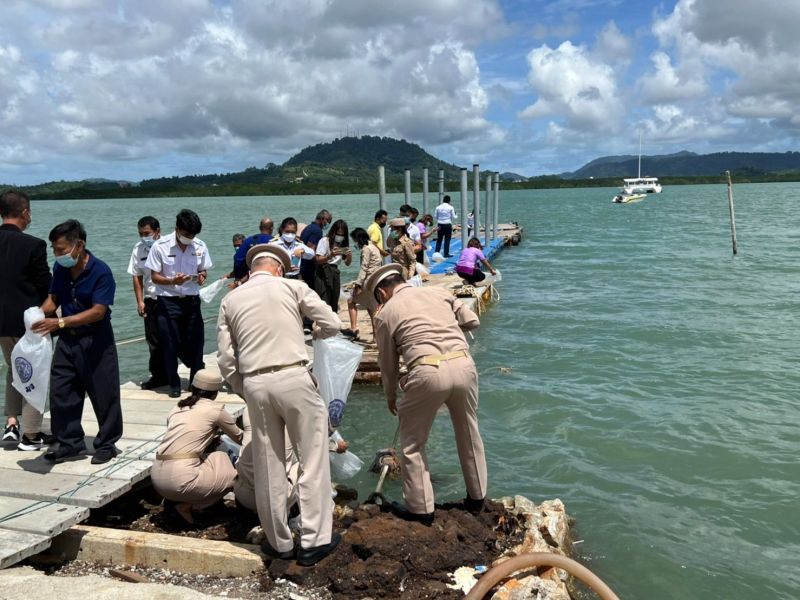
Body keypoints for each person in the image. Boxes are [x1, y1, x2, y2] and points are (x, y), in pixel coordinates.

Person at [217, 243, 342, 566]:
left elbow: (227, 360)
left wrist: (246, 388)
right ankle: (315, 541)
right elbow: (332, 322)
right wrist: (315, 331)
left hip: (256, 384)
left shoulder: (231, 299)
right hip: (294, 376)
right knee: (312, 459)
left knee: (268, 463)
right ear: (278, 268)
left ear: (253, 268)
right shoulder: (293, 286)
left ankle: (279, 542)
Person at [367, 264, 487, 525]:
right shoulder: (439, 293)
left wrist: (390, 395)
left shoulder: (386, 313)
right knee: (468, 432)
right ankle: (477, 498)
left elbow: (387, 363)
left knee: (412, 444)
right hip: (464, 364)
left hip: (426, 371)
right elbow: (472, 321)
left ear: (382, 293)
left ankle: (421, 510)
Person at [33, 219, 123, 464]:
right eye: (54, 249)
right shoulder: (61, 269)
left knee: (104, 393)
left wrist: (59, 323)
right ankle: (69, 442)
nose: (57, 254)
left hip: (96, 339)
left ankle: (107, 443)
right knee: (62, 391)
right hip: (67, 341)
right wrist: (37, 316)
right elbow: (53, 299)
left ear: (79, 245)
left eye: (61, 250)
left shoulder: (101, 271)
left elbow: (98, 311)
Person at [151, 369, 243, 528]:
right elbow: (240, 438)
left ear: (192, 388)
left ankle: (182, 501)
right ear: (215, 393)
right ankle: (188, 506)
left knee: (218, 458)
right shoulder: (215, 410)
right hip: (181, 480)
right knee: (236, 476)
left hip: (157, 477)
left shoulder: (177, 408)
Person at [0, 190, 52, 450]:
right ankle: (31, 435)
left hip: (1, 323)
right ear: (25, 213)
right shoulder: (34, 245)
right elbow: (46, 286)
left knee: (14, 368)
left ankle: (11, 424)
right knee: (35, 372)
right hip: (28, 323)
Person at [145, 209, 212, 398]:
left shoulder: (199, 245)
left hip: (191, 300)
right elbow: (155, 277)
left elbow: (203, 270)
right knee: (169, 343)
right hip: (168, 300)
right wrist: (172, 281)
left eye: (193, 235)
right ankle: (173, 384)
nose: (190, 238)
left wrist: (201, 277)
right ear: (177, 229)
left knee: (196, 342)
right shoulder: (160, 246)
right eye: (187, 234)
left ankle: (196, 383)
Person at [234, 407, 299, 516]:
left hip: (244, 496)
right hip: (275, 502)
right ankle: (290, 514)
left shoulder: (249, 409)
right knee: (304, 464)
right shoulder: (292, 418)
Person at [127, 216, 167, 390]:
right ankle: (158, 376)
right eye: (140, 234)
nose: (144, 237)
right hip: (150, 300)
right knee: (153, 341)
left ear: (157, 231)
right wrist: (139, 301)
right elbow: (136, 275)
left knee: (175, 339)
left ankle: (181, 372)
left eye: (147, 233)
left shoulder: (168, 245)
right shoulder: (139, 249)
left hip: (169, 298)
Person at [346, 227, 382, 339]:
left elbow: (364, 268)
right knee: (371, 308)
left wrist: (358, 284)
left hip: (368, 282)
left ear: (358, 239)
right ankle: (376, 336)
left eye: (354, 240)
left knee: (351, 300)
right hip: (375, 280)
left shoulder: (366, 249)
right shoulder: (373, 246)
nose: (354, 243)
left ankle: (354, 328)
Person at [314, 219, 352, 315]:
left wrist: (349, 256)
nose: (340, 236)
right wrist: (330, 256)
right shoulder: (324, 241)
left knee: (334, 299)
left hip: (335, 271)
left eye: (342, 234)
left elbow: (347, 263)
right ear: (333, 231)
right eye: (338, 233)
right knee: (324, 298)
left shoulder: (342, 243)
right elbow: (318, 260)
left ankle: (333, 322)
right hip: (324, 270)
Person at [299, 209, 332, 291]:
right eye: (328, 221)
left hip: (301, 265)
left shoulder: (308, 227)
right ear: (322, 219)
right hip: (308, 268)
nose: (328, 224)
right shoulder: (317, 231)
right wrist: (319, 263)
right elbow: (310, 250)